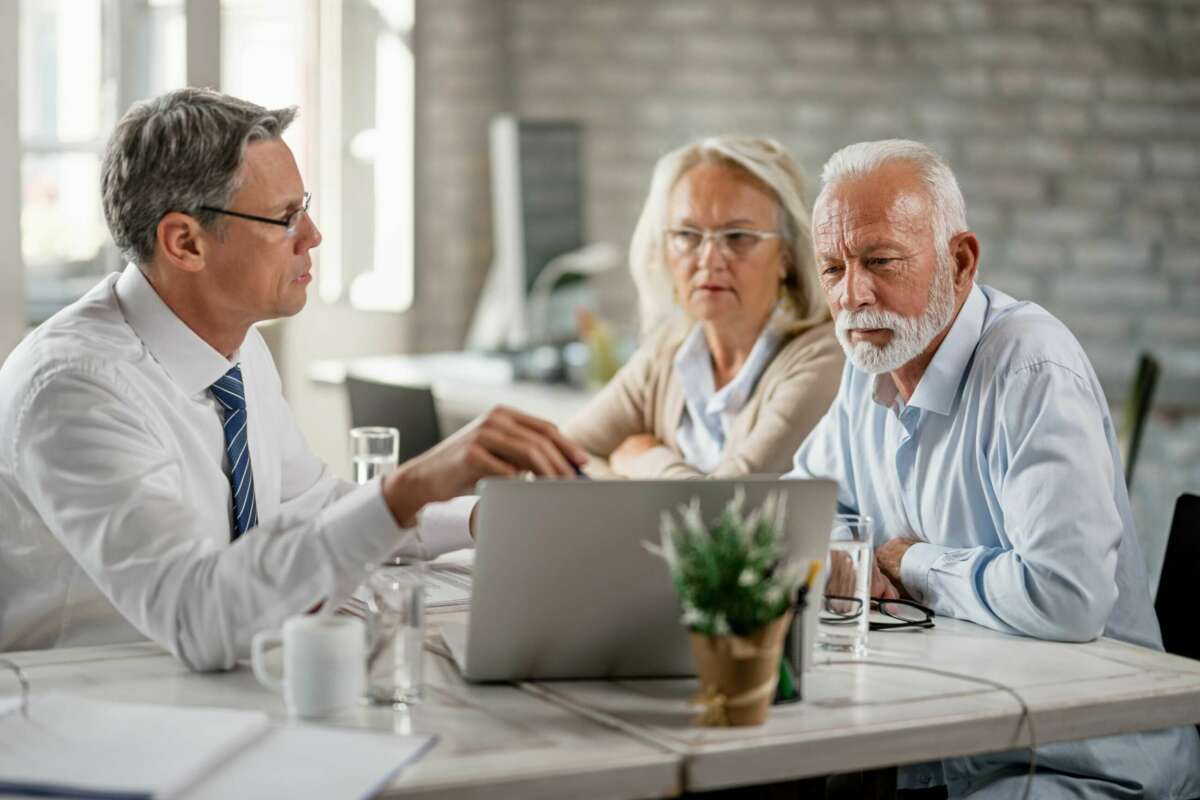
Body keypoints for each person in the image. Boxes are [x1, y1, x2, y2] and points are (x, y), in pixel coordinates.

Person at [0, 88, 586, 670]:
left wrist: (478, 519)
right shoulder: (75, 388)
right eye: (285, 218)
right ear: (185, 242)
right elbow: (198, 618)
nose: (312, 235)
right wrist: (409, 486)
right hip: (91, 712)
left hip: (204, 694)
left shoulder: (235, 347)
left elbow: (313, 510)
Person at [789, 139, 1200, 798]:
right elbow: (799, 512)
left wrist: (909, 562)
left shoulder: (1031, 368)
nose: (853, 294)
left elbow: (1065, 597)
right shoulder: (869, 361)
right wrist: (846, 554)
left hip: (1079, 763)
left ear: (961, 260)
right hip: (953, 744)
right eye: (832, 267)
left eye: (881, 261)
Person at [565, 136, 843, 478]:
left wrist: (644, 459)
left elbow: (726, 515)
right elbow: (557, 458)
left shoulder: (825, 359)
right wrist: (630, 485)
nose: (709, 260)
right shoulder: (667, 355)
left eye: (738, 236)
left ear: (786, 255)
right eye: (687, 235)